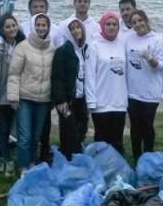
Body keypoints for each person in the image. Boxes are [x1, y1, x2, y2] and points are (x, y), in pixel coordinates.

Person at [7, 13, 56, 175]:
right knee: (25, 136)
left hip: (43, 99)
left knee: (36, 136)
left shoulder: (51, 48)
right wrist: (13, 96)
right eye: (38, 25)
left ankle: (33, 163)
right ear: (33, 27)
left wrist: (53, 99)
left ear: (48, 27)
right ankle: (23, 167)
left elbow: (53, 76)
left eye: (44, 25)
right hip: (25, 98)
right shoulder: (23, 47)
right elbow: (14, 73)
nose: (41, 28)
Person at [125, 10, 163, 162]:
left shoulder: (157, 39)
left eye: (140, 20)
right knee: (135, 127)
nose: (138, 25)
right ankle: (137, 159)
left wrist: (149, 58)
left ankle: (148, 156)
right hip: (132, 91)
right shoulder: (129, 38)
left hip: (150, 92)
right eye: (134, 22)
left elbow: (161, 66)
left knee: (147, 126)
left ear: (147, 20)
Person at [0, 13, 25, 176]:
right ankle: (8, 162)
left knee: (13, 128)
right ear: (2, 30)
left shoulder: (23, 46)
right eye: (7, 26)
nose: (11, 28)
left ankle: (0, 157)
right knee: (3, 128)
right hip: (2, 96)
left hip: (19, 94)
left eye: (13, 25)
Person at [85, 12, 128, 155]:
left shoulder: (123, 44)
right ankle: (101, 169)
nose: (111, 27)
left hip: (119, 102)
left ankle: (117, 171)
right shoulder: (94, 46)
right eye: (108, 24)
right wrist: (91, 101)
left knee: (117, 140)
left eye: (114, 24)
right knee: (101, 140)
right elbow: (90, 76)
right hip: (101, 103)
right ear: (102, 26)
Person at [51, 18, 89, 160]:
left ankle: (77, 157)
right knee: (68, 130)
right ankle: (67, 158)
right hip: (67, 100)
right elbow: (57, 77)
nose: (76, 31)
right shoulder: (63, 51)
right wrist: (60, 100)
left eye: (78, 27)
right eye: (72, 29)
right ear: (67, 32)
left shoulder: (85, 49)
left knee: (81, 129)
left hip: (82, 98)